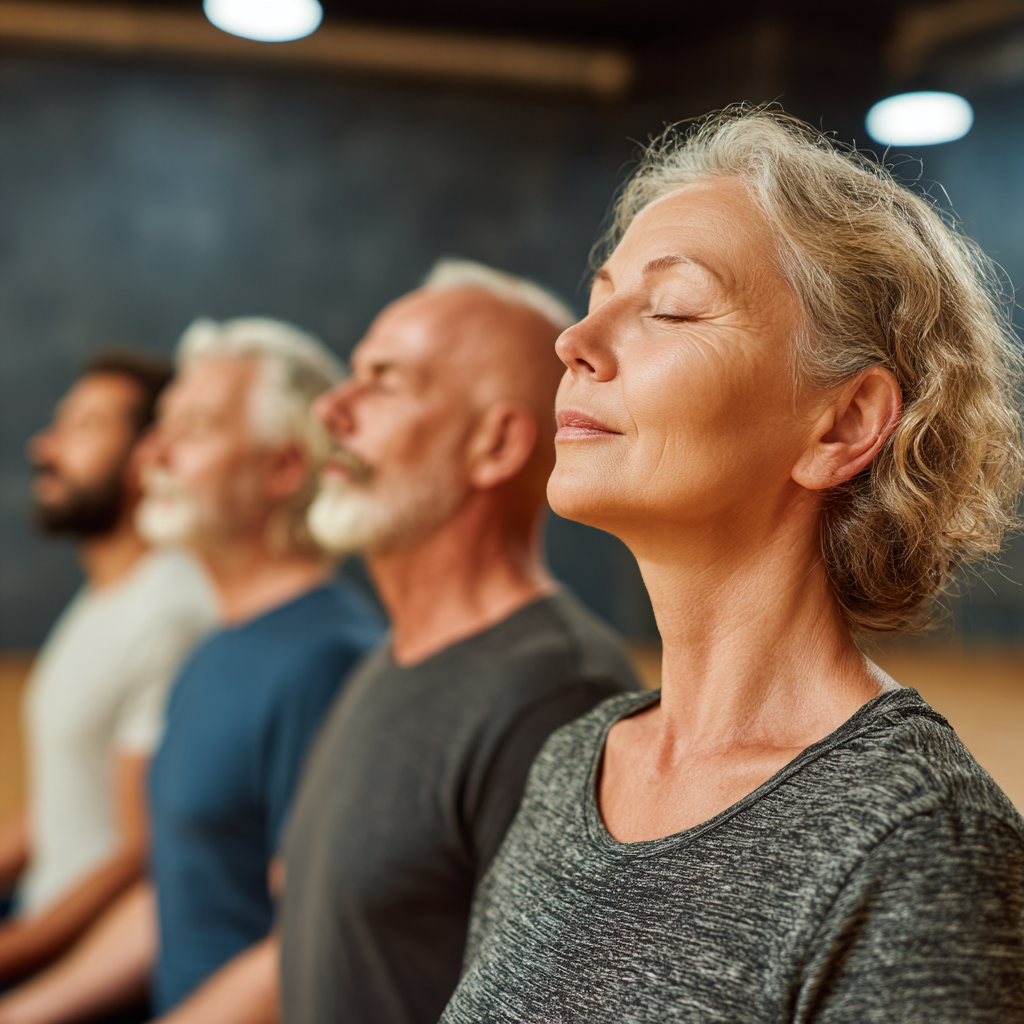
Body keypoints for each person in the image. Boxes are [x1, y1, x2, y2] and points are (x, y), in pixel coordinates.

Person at [439, 107, 1024, 1024]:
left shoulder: (917, 843)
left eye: (669, 308)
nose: (573, 343)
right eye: (598, 300)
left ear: (843, 426)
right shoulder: (570, 768)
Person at [275, 259, 640, 1024]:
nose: (333, 411)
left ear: (495, 444)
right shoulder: (388, 659)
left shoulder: (558, 696)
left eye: (384, 380)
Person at [0, 318, 383, 1024]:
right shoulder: (215, 647)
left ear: (283, 468)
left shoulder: (329, 658)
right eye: (160, 425)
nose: (154, 453)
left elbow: (305, 946)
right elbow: (169, 895)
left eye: (196, 428)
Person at [0, 351, 216, 984]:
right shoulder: (101, 598)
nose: (46, 447)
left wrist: (14, 949)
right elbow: (65, 799)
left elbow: (140, 852)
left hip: (87, 965)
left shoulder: (173, 611)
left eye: (85, 427)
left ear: (149, 455)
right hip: (37, 915)